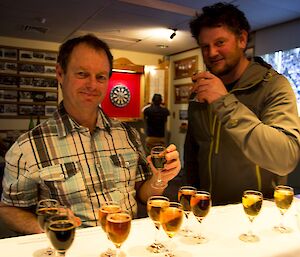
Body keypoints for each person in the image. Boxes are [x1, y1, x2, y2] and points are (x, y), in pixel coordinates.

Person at [0, 34, 181, 235]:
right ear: (60, 73)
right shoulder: (27, 147)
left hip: (126, 242)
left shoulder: (128, 134)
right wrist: (44, 226)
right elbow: (9, 209)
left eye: (101, 77)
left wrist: (160, 179)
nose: (92, 85)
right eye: (82, 74)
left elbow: (143, 195)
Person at [184, 2, 300, 205]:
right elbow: (194, 156)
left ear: (242, 39)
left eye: (220, 43)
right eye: (205, 46)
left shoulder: (273, 85)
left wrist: (223, 101)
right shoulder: (202, 89)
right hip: (208, 213)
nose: (211, 53)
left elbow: (285, 158)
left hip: (258, 214)